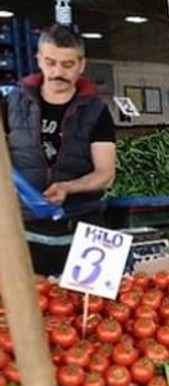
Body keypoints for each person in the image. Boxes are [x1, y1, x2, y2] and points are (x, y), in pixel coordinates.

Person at [1, 24, 115, 276]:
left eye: (67, 65)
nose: (57, 72)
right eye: (50, 62)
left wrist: (67, 188)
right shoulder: (11, 104)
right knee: (24, 311)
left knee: (94, 311)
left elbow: (105, 174)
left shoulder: (97, 111)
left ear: (81, 65)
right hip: (24, 230)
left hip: (84, 228)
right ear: (39, 59)